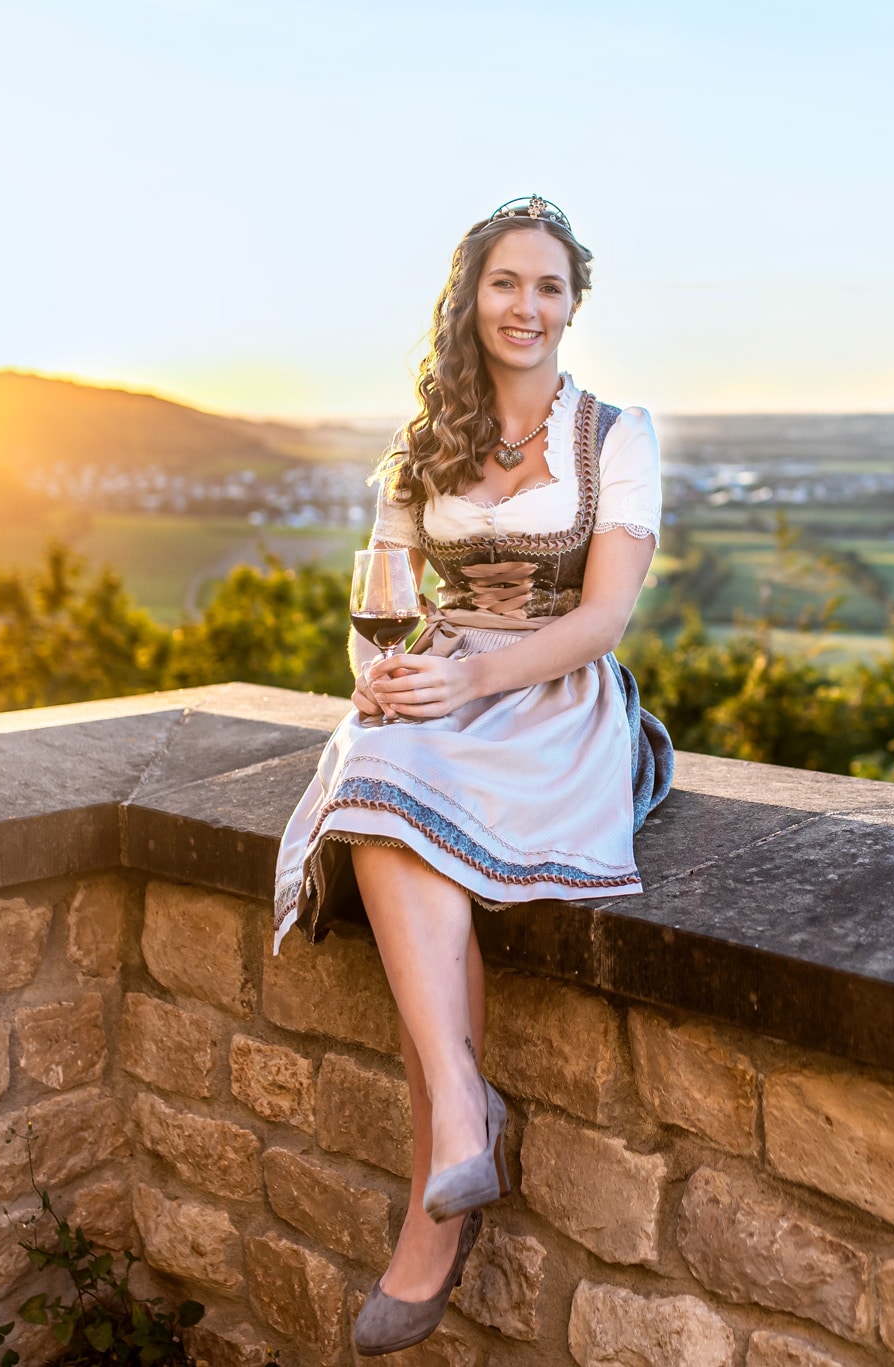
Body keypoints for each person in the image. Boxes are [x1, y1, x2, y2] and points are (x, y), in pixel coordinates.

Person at [272, 196, 673, 1357]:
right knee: (380, 762)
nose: (528, 306)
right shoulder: (420, 448)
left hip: (549, 688)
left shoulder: (614, 436)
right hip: (436, 683)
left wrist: (469, 683)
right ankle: (460, 1104)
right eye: (508, 283)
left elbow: (601, 619)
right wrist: (381, 679)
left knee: (396, 793)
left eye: (550, 287)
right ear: (471, 297)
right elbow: (378, 608)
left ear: (571, 306)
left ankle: (438, 1181)